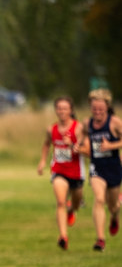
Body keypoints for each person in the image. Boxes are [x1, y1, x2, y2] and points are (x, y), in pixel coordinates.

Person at [37, 96, 85, 251]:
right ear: (56, 110)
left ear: (71, 110)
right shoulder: (51, 129)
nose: (62, 111)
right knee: (60, 202)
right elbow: (46, 144)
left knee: (76, 203)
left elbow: (87, 148)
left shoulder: (78, 128)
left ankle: (72, 210)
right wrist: (42, 161)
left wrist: (73, 145)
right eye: (59, 108)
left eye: (65, 108)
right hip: (59, 170)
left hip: (76, 172)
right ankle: (63, 237)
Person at [80, 88, 122, 251]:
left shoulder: (115, 122)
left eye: (101, 109)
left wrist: (110, 146)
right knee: (99, 199)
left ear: (107, 107)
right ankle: (100, 239)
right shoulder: (87, 123)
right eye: (94, 109)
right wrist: (80, 146)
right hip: (97, 167)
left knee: (113, 206)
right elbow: (83, 138)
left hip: (113, 168)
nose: (97, 112)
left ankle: (115, 216)